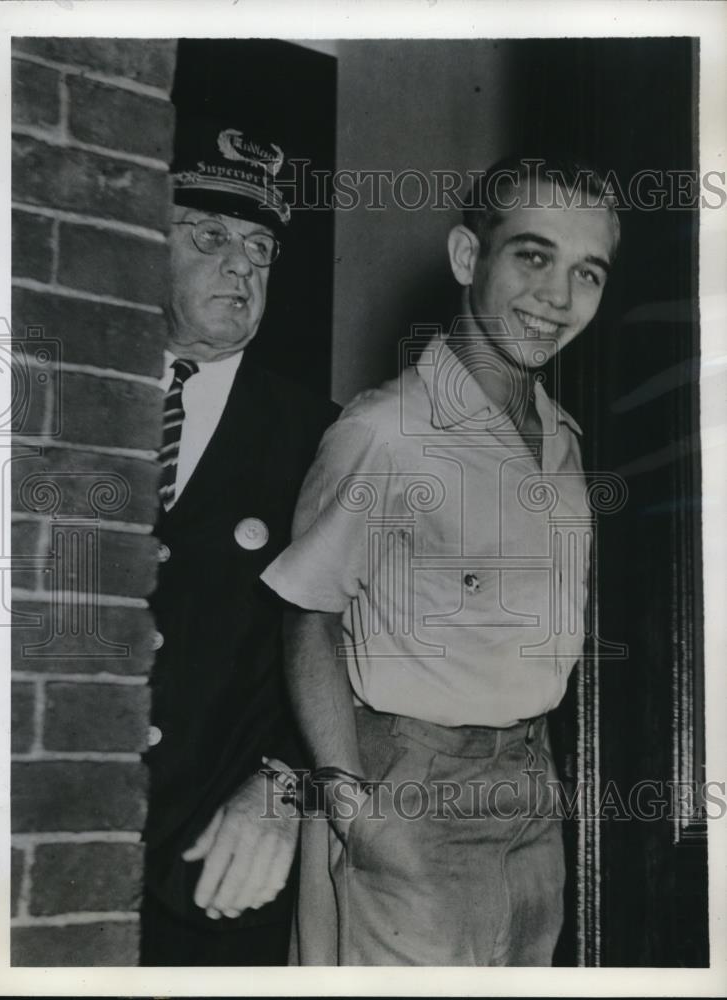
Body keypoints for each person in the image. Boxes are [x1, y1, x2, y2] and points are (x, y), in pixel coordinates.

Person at [261, 156, 620, 965]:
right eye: (533, 256)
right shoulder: (387, 430)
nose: (558, 297)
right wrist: (351, 803)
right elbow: (308, 613)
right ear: (468, 258)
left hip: (532, 791)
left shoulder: (563, 444)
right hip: (409, 790)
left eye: (587, 273)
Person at [140, 114, 339, 966]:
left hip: (216, 861)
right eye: (211, 236)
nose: (242, 266)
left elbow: (356, 642)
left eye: (260, 249)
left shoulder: (318, 436)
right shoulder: (54, 399)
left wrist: (285, 785)